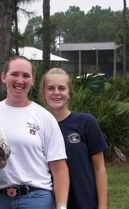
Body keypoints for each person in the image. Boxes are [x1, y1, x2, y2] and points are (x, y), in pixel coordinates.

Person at [0, 56, 69, 209]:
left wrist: (61, 207)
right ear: (3, 77)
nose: (20, 80)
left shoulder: (44, 118)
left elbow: (60, 170)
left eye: (26, 76)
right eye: (14, 74)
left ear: (33, 80)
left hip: (36, 199)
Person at [40, 68, 108, 209]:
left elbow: (99, 168)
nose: (56, 92)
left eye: (62, 88)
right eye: (50, 88)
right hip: (49, 203)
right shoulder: (37, 127)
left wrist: (102, 207)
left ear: (70, 94)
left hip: (85, 204)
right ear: (43, 94)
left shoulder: (86, 122)